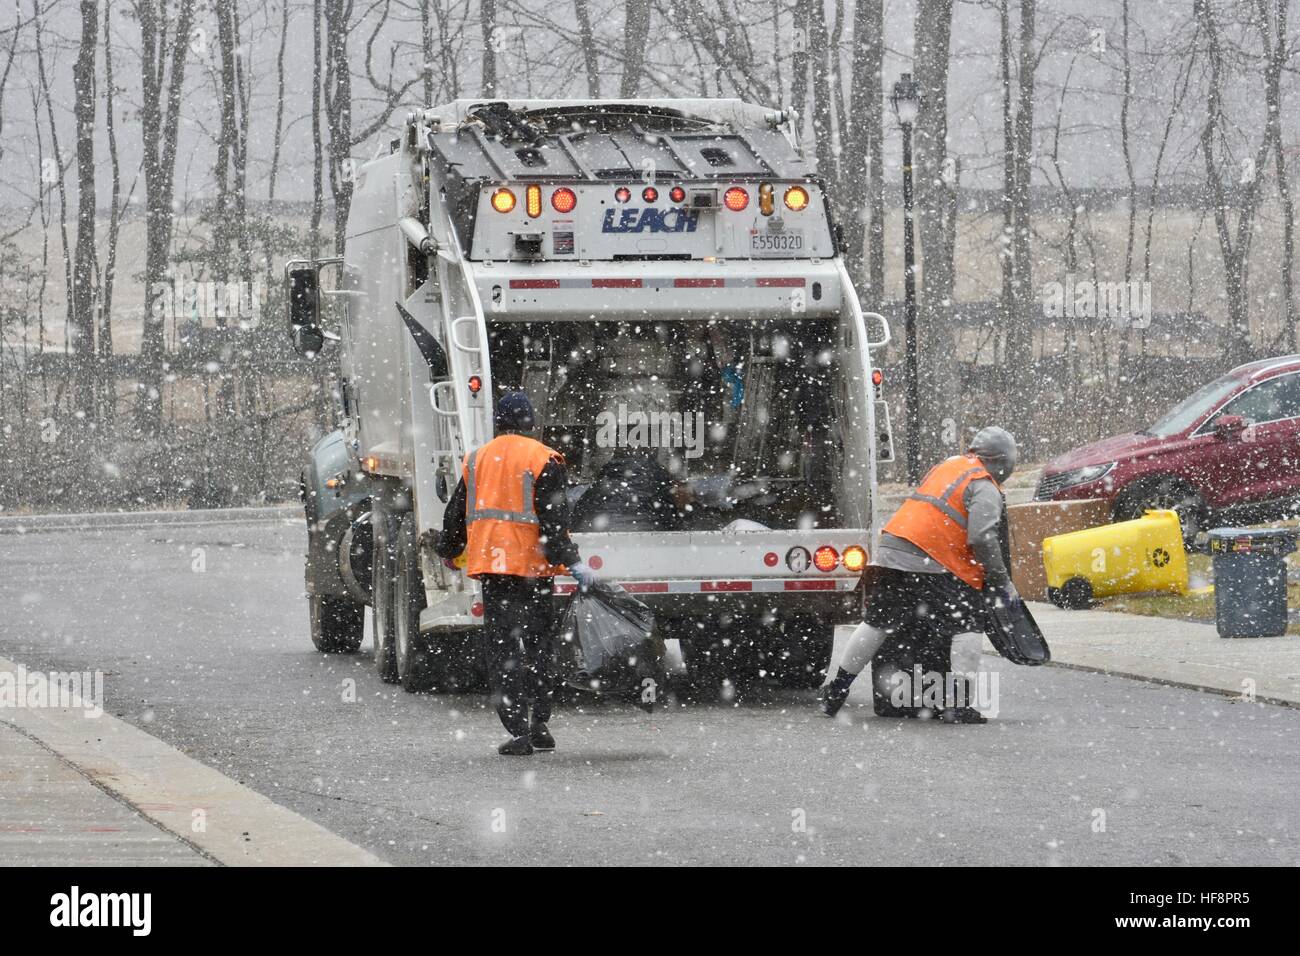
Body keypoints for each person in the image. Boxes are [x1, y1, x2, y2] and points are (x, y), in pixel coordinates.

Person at [819, 426, 1020, 723]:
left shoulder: (949, 465)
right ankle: (959, 705)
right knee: (967, 625)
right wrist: (1002, 580)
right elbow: (982, 537)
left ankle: (837, 689)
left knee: (877, 621)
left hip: (893, 549)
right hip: (934, 558)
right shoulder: (983, 484)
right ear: (1004, 461)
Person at [435, 391, 599, 756]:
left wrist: (449, 550)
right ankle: (540, 723)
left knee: (504, 649)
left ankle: (518, 730)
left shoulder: (477, 459)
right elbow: (554, 523)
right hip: (534, 571)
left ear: (499, 423)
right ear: (530, 422)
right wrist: (572, 562)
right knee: (540, 645)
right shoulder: (543, 459)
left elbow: (456, 513)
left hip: (495, 570)